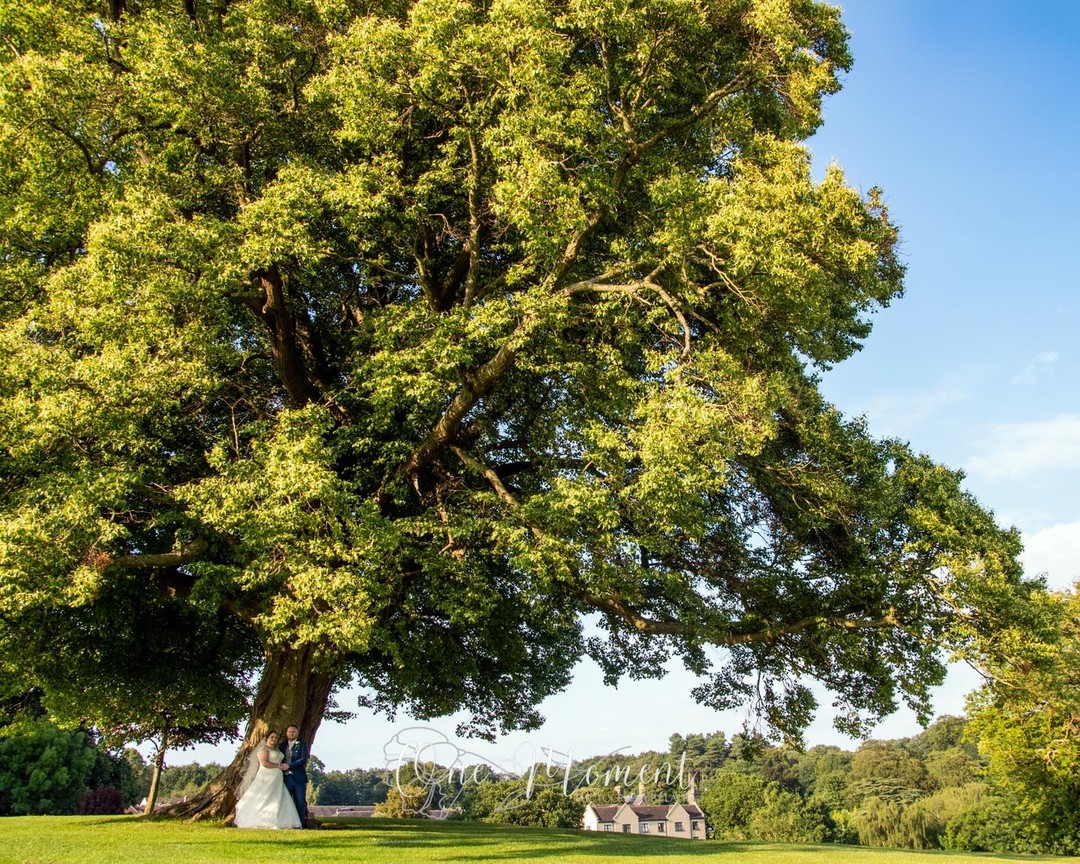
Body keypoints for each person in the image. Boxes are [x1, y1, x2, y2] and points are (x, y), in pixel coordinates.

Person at [233, 730, 301, 829]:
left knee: (277, 796)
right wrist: (278, 765)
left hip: (277, 777)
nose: (274, 739)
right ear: (267, 738)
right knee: (264, 796)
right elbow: (264, 763)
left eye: (275, 737)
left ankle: (279, 819)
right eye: (272, 737)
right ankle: (261, 820)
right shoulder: (263, 750)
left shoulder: (277, 750)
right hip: (266, 776)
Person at [282, 724, 309, 828]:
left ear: (297, 733)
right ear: (286, 733)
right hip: (286, 777)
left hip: (299, 777)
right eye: (289, 731)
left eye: (293, 731)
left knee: (300, 800)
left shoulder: (302, 744)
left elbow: (303, 759)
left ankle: (300, 824)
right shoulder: (282, 746)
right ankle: (287, 823)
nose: (291, 733)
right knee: (286, 800)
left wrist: (289, 766)